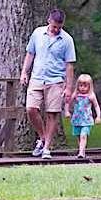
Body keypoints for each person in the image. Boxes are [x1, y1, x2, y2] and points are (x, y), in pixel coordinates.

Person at [20, 9, 76, 159]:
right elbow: (30, 53)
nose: (56, 29)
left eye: (59, 27)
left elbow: (69, 65)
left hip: (56, 80)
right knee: (31, 109)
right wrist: (24, 72)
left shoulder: (67, 40)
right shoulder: (38, 33)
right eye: (54, 27)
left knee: (52, 113)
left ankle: (46, 148)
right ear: (48, 21)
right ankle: (43, 137)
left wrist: (69, 88)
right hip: (37, 78)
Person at [64, 74, 101, 158]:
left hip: (86, 120)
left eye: (85, 86)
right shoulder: (76, 95)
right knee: (78, 136)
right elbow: (68, 102)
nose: (82, 88)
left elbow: (96, 106)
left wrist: (98, 116)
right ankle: (82, 150)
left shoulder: (91, 96)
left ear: (89, 86)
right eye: (80, 85)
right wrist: (66, 111)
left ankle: (81, 152)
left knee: (83, 135)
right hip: (77, 119)